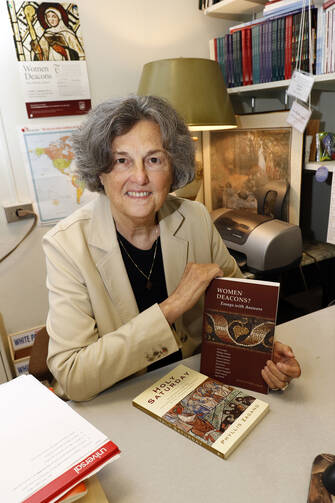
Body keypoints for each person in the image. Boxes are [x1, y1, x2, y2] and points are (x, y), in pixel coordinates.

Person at [43, 95, 301, 401]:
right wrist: (171, 307)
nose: (139, 177)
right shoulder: (66, 245)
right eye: (121, 160)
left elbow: (239, 306)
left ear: (172, 168)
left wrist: (261, 349)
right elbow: (73, 379)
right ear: (100, 170)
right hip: (117, 401)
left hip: (193, 386)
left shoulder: (195, 218)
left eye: (154, 160)